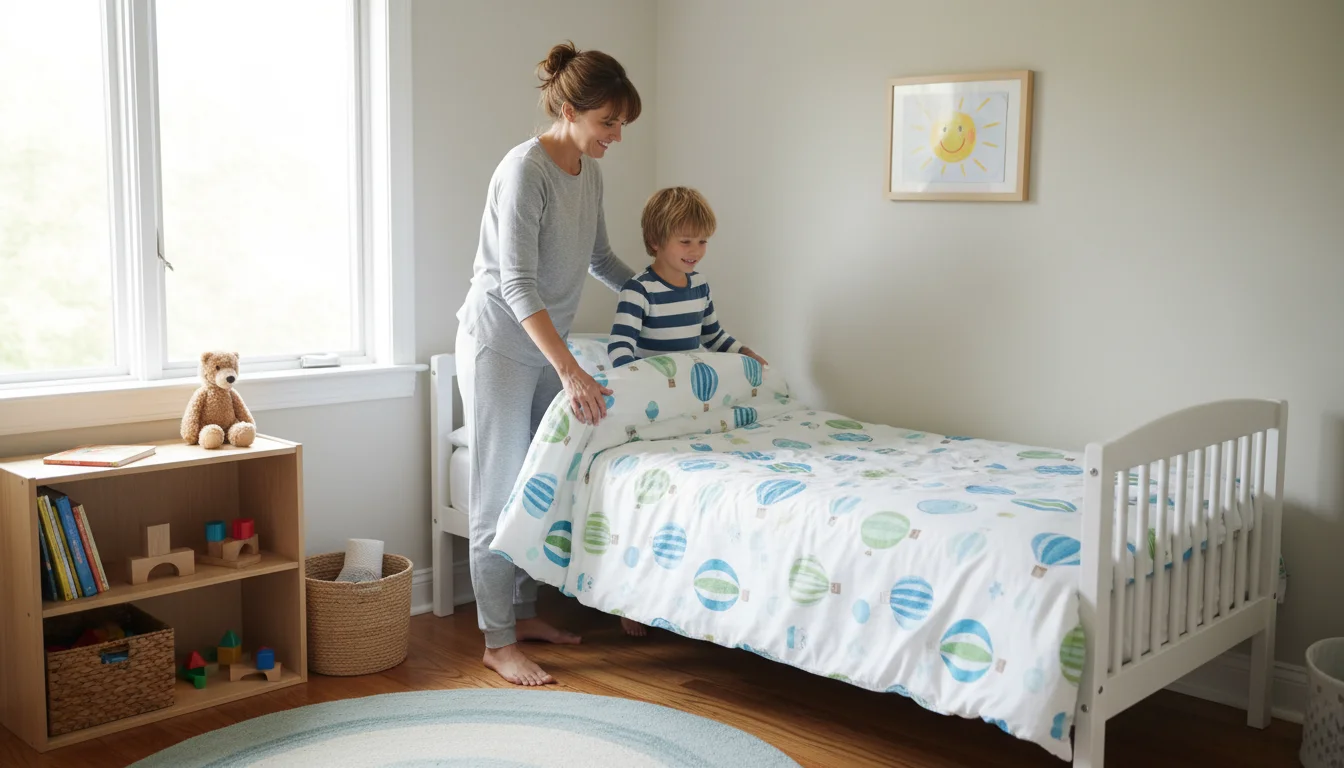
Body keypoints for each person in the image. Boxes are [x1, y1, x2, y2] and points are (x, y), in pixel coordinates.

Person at [454, 41, 640, 685]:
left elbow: (602, 260)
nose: (615, 136)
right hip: (502, 345)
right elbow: (517, 285)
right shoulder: (524, 170)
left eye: (619, 125)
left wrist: (665, 290)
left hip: (544, 346)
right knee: (498, 489)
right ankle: (496, 640)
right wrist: (569, 369)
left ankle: (526, 612)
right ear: (568, 109)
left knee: (540, 482)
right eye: (606, 123)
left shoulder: (588, 171)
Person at [607, 186, 767, 638]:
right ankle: (629, 597)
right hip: (653, 400)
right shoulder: (640, 291)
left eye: (702, 242)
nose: (695, 252)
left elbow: (713, 336)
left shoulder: (698, 287)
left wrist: (744, 353)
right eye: (686, 241)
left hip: (689, 401)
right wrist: (638, 379)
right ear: (656, 242)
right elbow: (620, 346)